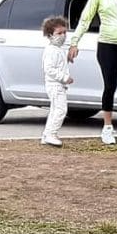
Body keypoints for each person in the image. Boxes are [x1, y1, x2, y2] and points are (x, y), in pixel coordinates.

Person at [68, 0, 117, 145]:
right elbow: (85, 20)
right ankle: (107, 127)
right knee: (110, 85)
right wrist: (74, 42)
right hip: (108, 45)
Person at [40, 16, 73, 147]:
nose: (63, 36)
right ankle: (51, 134)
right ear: (50, 35)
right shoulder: (51, 50)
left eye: (64, 32)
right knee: (60, 110)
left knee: (55, 110)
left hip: (58, 85)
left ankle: (47, 134)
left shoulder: (58, 49)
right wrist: (64, 78)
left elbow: (59, 63)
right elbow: (49, 69)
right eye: (59, 33)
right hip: (55, 85)